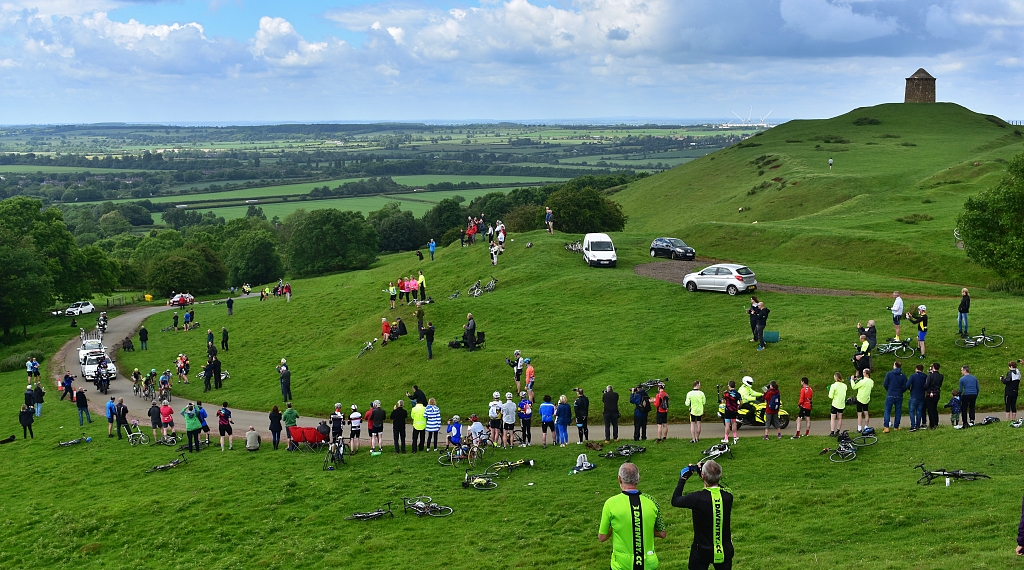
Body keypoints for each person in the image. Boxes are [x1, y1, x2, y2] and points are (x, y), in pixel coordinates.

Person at [599, 463, 666, 570]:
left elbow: (602, 537)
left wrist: (616, 526)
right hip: (648, 564)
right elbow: (662, 533)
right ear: (638, 478)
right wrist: (641, 527)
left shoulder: (611, 503)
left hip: (622, 565)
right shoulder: (652, 501)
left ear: (619, 479)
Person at [672, 460, 733, 570]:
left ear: (703, 476)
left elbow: (675, 500)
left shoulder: (697, 498)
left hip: (701, 550)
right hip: (725, 549)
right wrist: (706, 474)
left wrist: (683, 479)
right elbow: (717, 485)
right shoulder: (728, 497)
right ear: (720, 475)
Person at [882, 361, 908, 433]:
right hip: (899, 395)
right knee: (898, 411)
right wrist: (901, 391)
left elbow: (885, 384)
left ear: (895, 366)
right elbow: (905, 386)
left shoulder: (889, 374)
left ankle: (886, 427)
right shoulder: (903, 375)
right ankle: (896, 426)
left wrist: (889, 389)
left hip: (890, 394)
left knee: (887, 411)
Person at [907, 364, 928, 431]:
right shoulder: (925, 376)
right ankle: (918, 425)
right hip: (921, 396)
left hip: (914, 395)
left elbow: (907, 385)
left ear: (916, 369)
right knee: (919, 411)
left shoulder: (913, 376)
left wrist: (910, 389)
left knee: (912, 411)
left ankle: (913, 425)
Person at [923, 363, 944, 430]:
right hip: (937, 393)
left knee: (930, 409)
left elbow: (926, 385)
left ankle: (932, 424)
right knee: (935, 408)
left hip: (930, 393)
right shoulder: (941, 376)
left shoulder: (930, 376)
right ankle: (936, 423)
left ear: (933, 368)